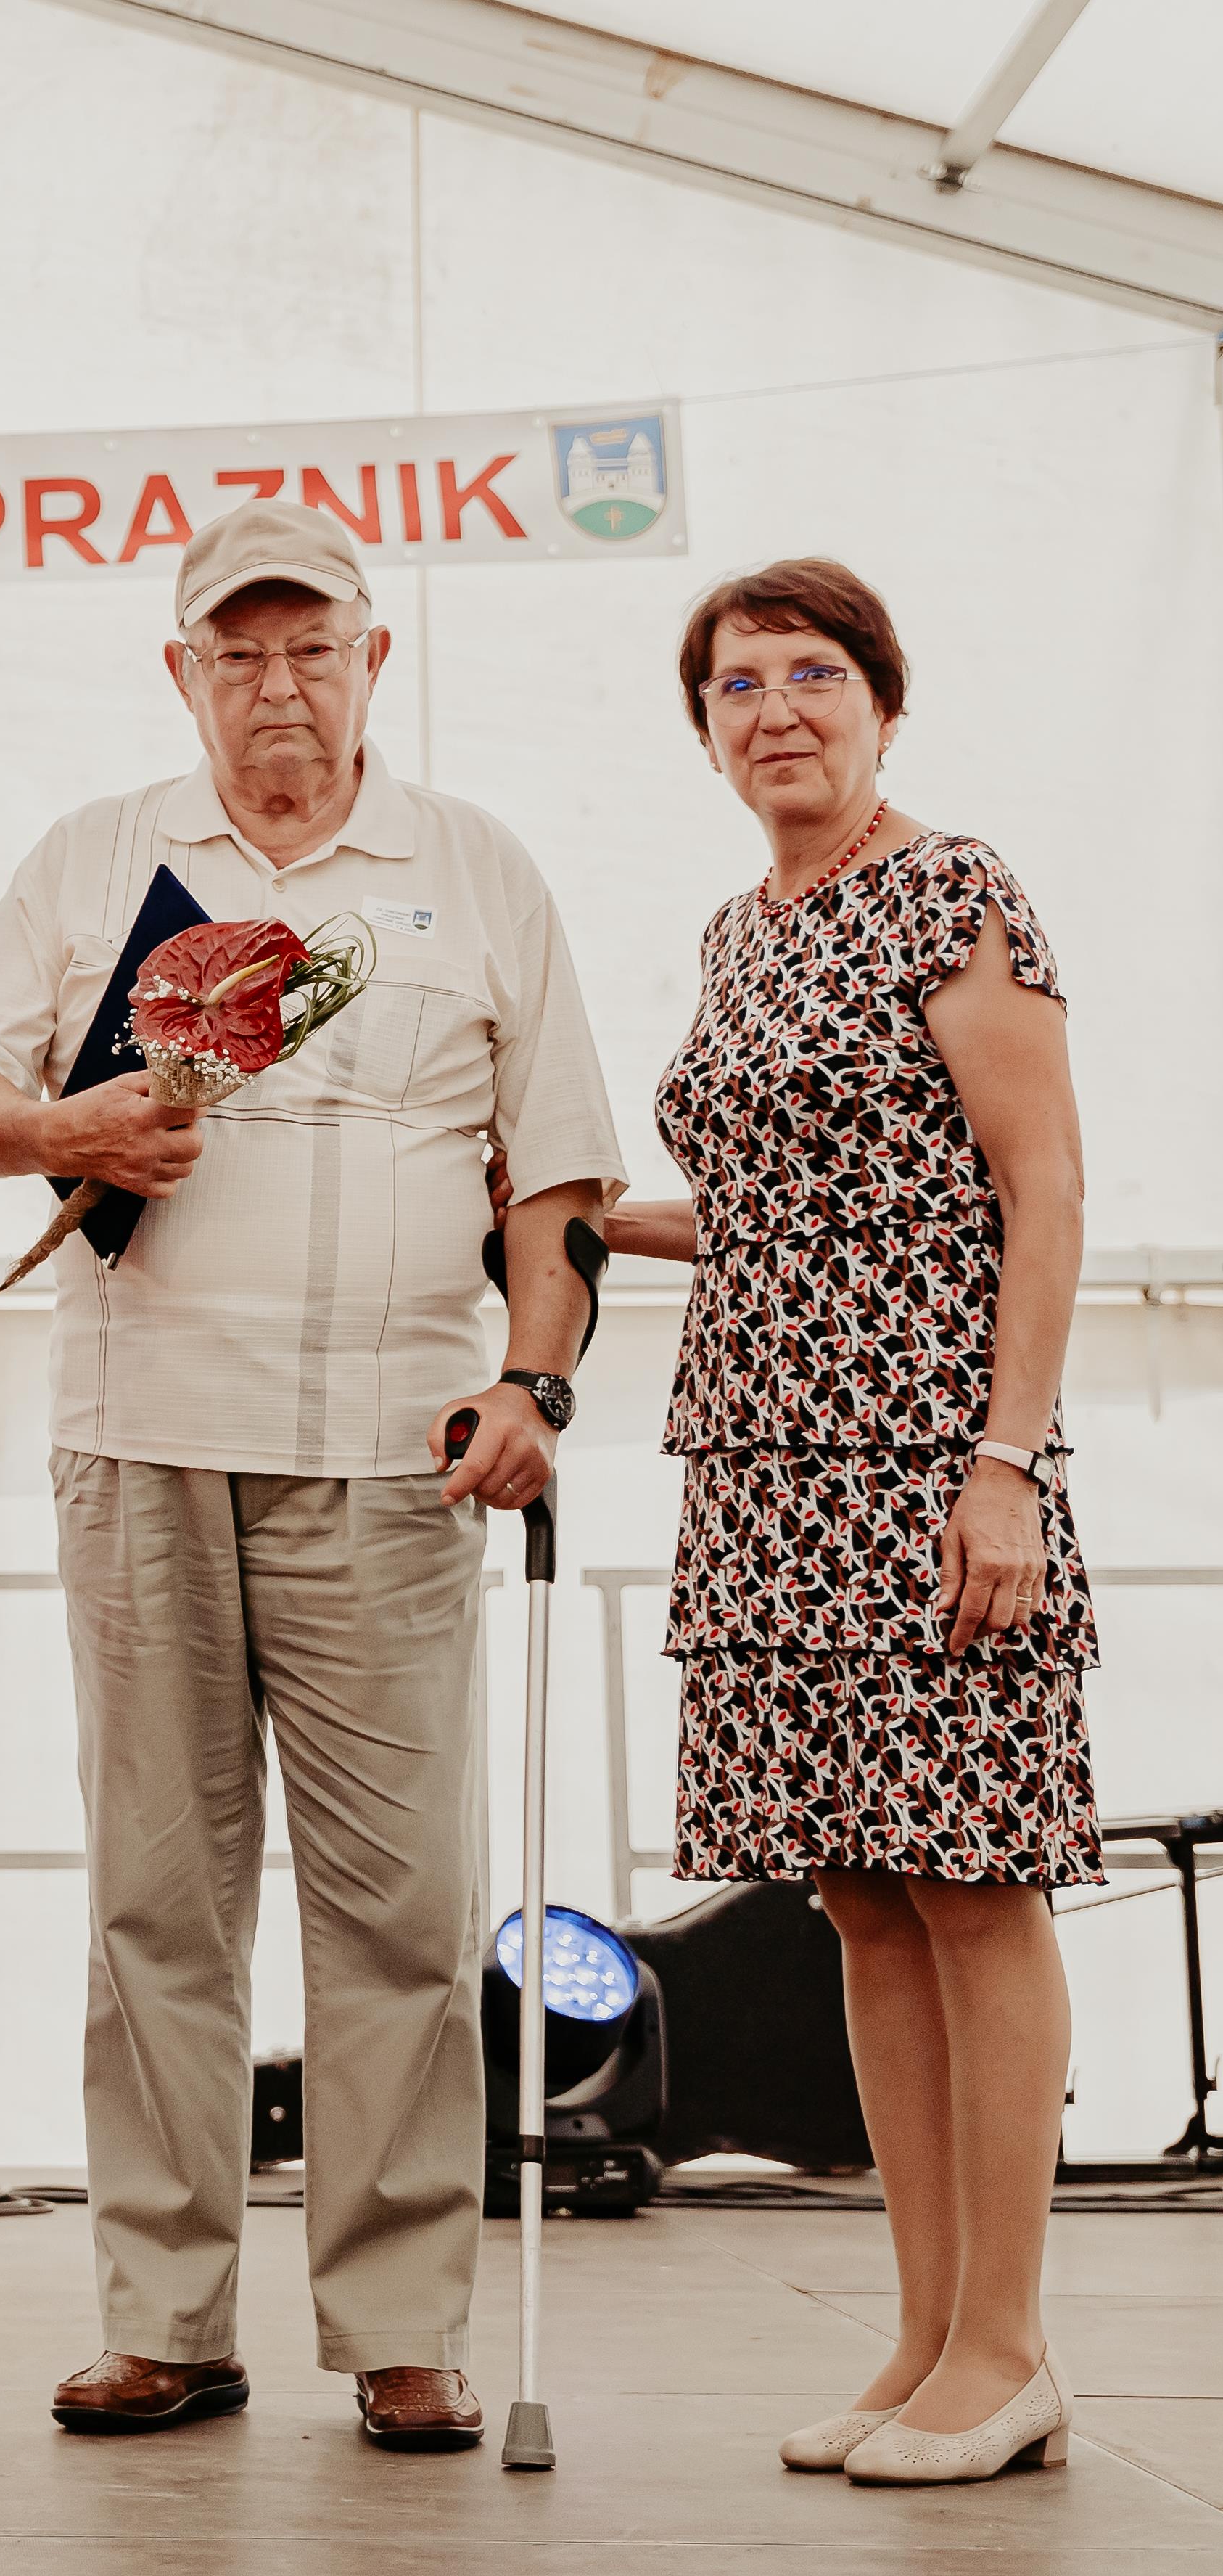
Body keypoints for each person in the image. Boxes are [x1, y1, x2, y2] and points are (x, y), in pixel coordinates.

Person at [0, 498, 622, 2453]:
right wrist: (64, 1126)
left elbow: (556, 1169)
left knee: (403, 1907)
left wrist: (535, 1380)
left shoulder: (477, 870)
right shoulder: (93, 857)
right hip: (141, 1437)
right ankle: (164, 2315)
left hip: (396, 1456)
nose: (279, 684)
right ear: (183, 672)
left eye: (315, 647)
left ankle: (401, 2325)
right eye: (239, 651)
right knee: (158, 1901)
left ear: (377, 661)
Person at [606, 558, 1094, 2487]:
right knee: (860, 1899)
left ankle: (1012, 2346)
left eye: (815, 673)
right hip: (763, 1466)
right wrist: (581, 1212)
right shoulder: (738, 932)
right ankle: (927, 2330)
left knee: (973, 1884)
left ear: (885, 704)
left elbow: (1040, 1190)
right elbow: (781, 1210)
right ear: (705, 732)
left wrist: (1007, 1464)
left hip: (929, 1459)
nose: (777, 709)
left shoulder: (956, 893)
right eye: (737, 685)